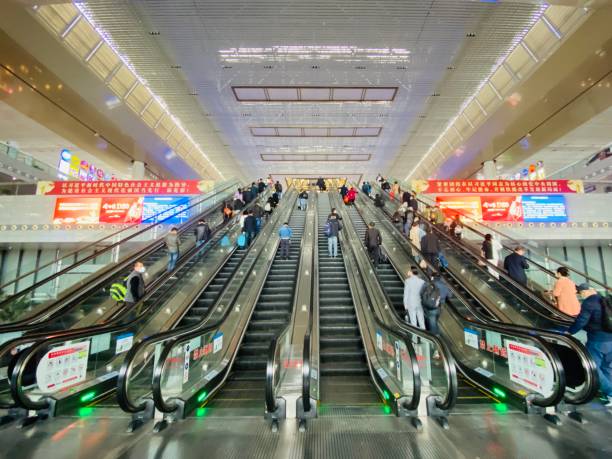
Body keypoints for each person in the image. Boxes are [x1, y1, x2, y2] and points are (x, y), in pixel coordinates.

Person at [568, 284, 612, 407]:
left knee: (592, 367)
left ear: (583, 292)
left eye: (580, 293)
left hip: (597, 341)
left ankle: (610, 392)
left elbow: (581, 321)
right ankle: (607, 394)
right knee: (606, 367)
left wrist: (569, 332)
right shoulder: (605, 299)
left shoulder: (589, 302)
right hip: (610, 339)